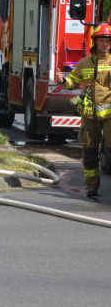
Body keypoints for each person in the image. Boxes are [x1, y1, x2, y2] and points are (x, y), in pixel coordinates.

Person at [55, 22, 111, 197]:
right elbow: (73, 82)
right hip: (89, 114)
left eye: (108, 40)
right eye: (102, 40)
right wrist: (63, 81)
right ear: (95, 41)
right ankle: (91, 186)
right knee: (89, 151)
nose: (105, 44)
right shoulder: (84, 62)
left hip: (110, 115)